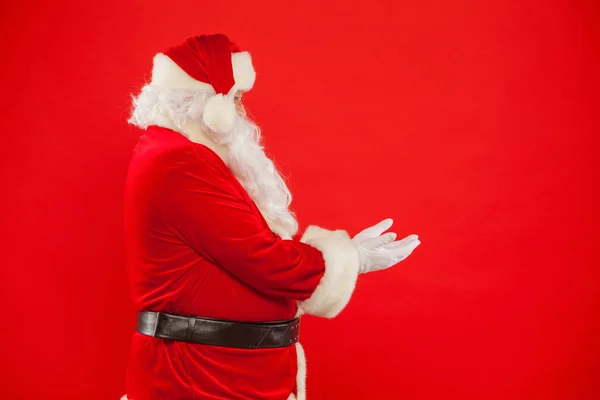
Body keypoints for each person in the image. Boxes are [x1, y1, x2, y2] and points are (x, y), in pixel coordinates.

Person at [123, 33, 420, 400]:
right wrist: (350, 258)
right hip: (201, 377)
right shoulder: (181, 163)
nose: (244, 113)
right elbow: (260, 257)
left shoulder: (179, 154)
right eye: (237, 99)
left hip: (221, 374)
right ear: (207, 103)